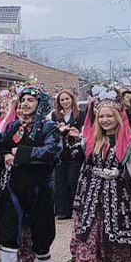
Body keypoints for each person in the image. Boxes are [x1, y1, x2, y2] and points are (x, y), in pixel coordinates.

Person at [0, 85, 61, 262]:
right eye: (23, 100)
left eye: (31, 100)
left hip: (40, 189)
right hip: (14, 188)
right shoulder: (13, 127)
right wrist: (5, 157)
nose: (25, 104)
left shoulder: (49, 128)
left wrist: (18, 153)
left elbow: (51, 152)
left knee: (42, 237)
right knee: (9, 236)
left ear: (40, 104)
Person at [71, 94, 131, 262]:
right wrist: (70, 141)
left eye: (110, 116)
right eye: (101, 116)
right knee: (86, 241)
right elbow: (73, 155)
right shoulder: (91, 139)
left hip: (118, 202)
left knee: (119, 247)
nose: (105, 120)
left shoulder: (130, 141)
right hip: (92, 200)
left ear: (118, 117)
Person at [51, 89, 84, 220]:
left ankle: (76, 208)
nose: (65, 102)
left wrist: (77, 133)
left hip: (75, 151)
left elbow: (85, 131)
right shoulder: (55, 116)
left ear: (72, 99)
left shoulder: (80, 114)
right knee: (60, 181)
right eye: (62, 100)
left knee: (73, 180)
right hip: (61, 152)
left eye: (67, 99)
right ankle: (63, 210)